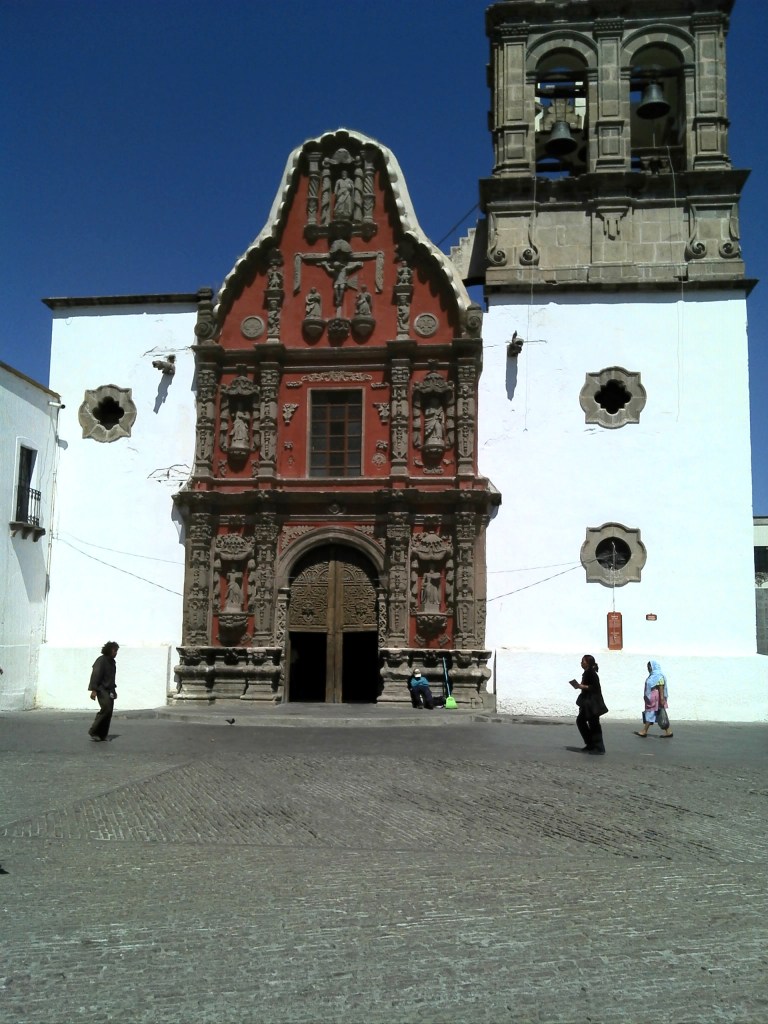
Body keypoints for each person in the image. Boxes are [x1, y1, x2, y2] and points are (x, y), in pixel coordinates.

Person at [569, 654, 607, 754]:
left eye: (583, 661)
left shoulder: (591, 673)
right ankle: (591, 745)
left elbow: (594, 688)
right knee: (586, 722)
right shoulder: (587, 673)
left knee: (592, 724)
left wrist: (581, 686)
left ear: (588, 663)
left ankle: (598, 748)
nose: (581, 663)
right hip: (588, 704)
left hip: (592, 704)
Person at [88, 641, 119, 742]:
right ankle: (94, 731)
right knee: (106, 709)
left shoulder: (112, 662)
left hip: (110, 690)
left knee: (109, 712)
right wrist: (94, 690)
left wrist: (114, 690)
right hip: (101, 689)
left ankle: (103, 735)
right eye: (115, 650)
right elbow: (96, 675)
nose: (116, 653)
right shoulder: (101, 660)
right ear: (110, 650)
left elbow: (111, 678)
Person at [634, 659, 673, 738]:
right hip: (652, 699)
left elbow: (661, 687)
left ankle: (644, 731)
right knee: (660, 714)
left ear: (653, 667)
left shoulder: (658, 676)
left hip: (656, 700)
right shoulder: (652, 676)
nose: (648, 669)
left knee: (650, 714)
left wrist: (662, 699)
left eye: (649, 667)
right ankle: (668, 731)